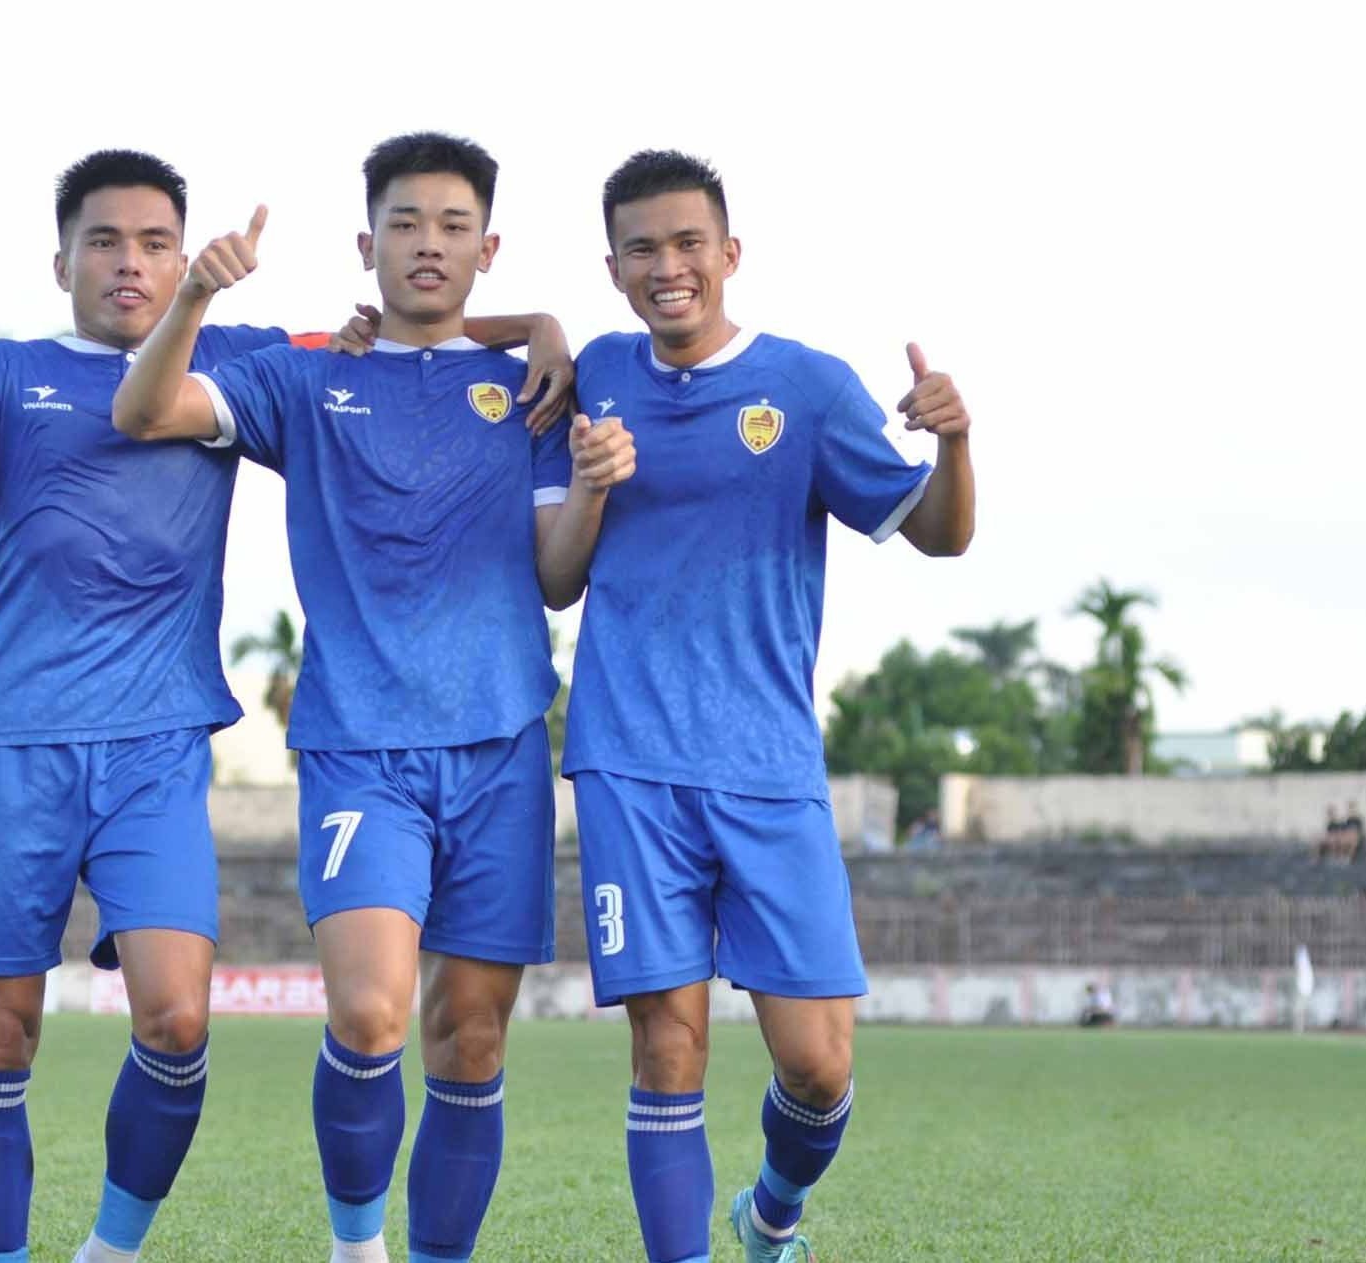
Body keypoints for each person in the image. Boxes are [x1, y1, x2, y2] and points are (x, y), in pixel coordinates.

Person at [113, 132, 588, 1263]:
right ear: (366, 242)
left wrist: (547, 344)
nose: (429, 245)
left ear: (489, 247)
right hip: (359, 750)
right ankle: (354, 1247)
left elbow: (556, 575)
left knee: (468, 1041)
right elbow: (143, 412)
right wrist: (192, 294)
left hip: (503, 747)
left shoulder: (532, 390)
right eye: (407, 225)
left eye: (454, 226)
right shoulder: (307, 375)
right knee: (369, 1016)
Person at [537, 150, 976, 1263]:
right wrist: (579, 449)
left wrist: (955, 440)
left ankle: (771, 1212)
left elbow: (939, 532)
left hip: (770, 766)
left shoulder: (807, 387)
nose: (667, 266)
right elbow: (555, 578)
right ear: (613, 266)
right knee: (668, 1046)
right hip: (628, 757)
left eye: (688, 244)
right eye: (641, 248)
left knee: (818, 1066)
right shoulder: (595, 374)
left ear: (729, 255)